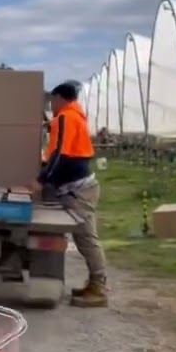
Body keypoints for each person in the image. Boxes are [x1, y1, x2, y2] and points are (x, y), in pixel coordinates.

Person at [31, 80, 107, 308]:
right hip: (78, 187)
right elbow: (59, 150)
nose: (51, 106)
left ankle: (99, 287)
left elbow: (60, 155)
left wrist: (40, 180)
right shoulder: (73, 117)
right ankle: (95, 284)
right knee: (85, 238)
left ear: (59, 98)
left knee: (86, 238)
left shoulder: (66, 117)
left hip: (79, 190)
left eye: (52, 101)